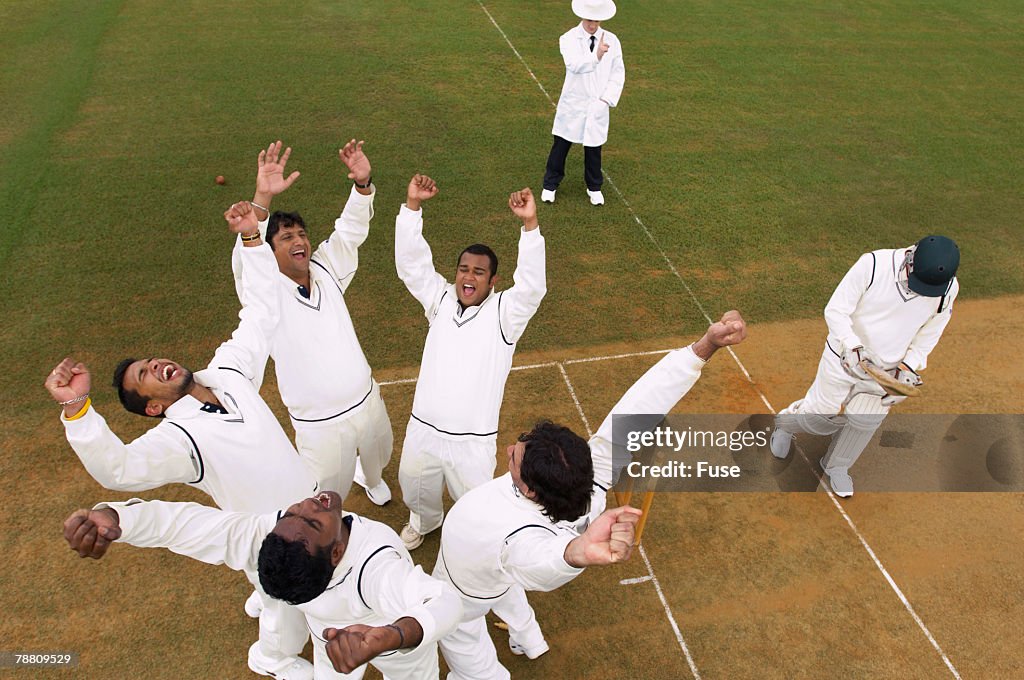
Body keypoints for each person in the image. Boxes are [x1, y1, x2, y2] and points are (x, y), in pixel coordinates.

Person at [44, 201, 319, 680]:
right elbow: (118, 471)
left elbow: (260, 312)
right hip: (269, 542)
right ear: (152, 406)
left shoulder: (229, 372)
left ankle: (261, 592)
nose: (153, 366)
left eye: (149, 361)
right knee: (288, 619)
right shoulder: (178, 437)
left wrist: (253, 239)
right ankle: (270, 659)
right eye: (143, 378)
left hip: (312, 513)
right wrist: (76, 408)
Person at [434, 312, 747, 679]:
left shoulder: (521, 539)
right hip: (496, 571)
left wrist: (574, 555)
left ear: (531, 490)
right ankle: (530, 639)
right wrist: (705, 346)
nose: (507, 451)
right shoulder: (592, 469)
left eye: (515, 459)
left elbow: (542, 562)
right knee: (507, 589)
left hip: (465, 588)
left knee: (465, 641)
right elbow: (641, 404)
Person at [62, 489, 463, 679]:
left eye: (291, 513)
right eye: (308, 522)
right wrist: (389, 638)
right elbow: (447, 604)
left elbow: (188, 524)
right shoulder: (377, 569)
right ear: (335, 555)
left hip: (359, 638)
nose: (306, 505)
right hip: (365, 644)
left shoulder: (274, 533)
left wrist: (118, 518)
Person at [231, 139, 393, 505]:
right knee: (325, 497)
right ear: (269, 252)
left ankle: (370, 478)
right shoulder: (263, 294)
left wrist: (363, 184)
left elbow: (350, 230)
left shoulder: (325, 267)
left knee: (379, 456)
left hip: (367, 401)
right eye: (286, 237)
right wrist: (261, 198)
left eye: (301, 234)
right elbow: (247, 261)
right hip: (320, 426)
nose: (299, 240)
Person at [393, 176, 547, 551]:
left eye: (479, 272)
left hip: (472, 441)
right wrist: (412, 206)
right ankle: (425, 521)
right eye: (464, 269)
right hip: (424, 429)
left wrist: (530, 226)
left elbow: (531, 288)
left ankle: (469, 541)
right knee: (414, 486)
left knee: (474, 504)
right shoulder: (440, 300)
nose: (468, 277)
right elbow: (411, 266)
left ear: (493, 280)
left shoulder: (505, 314)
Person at [770, 235, 960, 497]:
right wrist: (852, 346)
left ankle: (837, 466)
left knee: (864, 422)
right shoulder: (872, 265)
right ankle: (785, 424)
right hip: (844, 357)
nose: (920, 291)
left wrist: (908, 367)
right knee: (819, 413)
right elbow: (836, 310)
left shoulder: (946, 290)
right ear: (910, 257)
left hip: (886, 371)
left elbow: (931, 332)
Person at [541, 0, 625, 207]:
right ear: (582, 17)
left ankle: (594, 187)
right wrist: (596, 56)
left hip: (597, 105)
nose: (593, 25)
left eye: (597, 21)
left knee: (594, 148)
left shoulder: (613, 40)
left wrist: (606, 99)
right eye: (589, 20)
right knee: (561, 145)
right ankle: (550, 185)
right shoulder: (568, 38)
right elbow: (575, 65)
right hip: (573, 104)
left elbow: (618, 72)